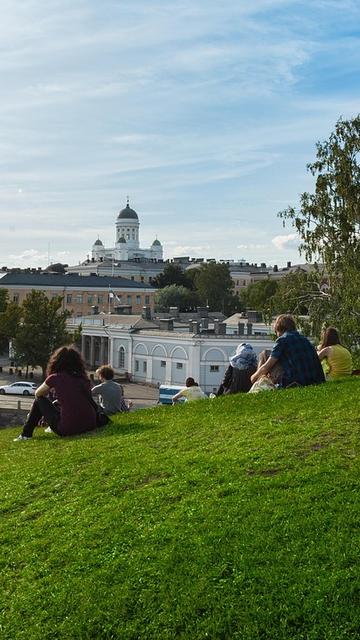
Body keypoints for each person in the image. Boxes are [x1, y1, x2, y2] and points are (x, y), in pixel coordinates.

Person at [13, 346, 97, 441]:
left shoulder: (55, 378)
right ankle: (46, 427)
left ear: (57, 361)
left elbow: (38, 393)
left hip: (68, 429)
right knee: (60, 403)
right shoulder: (83, 378)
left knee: (39, 400)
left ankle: (26, 434)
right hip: (90, 424)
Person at [250, 314, 325, 388]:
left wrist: (253, 377)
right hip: (314, 380)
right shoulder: (305, 340)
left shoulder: (282, 340)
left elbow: (268, 365)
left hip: (295, 381)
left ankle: (257, 386)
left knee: (264, 354)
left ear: (278, 329)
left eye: (276, 332)